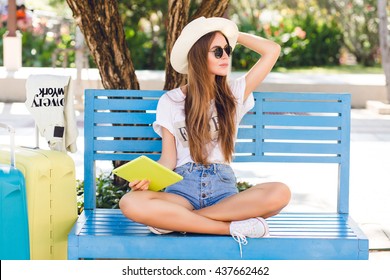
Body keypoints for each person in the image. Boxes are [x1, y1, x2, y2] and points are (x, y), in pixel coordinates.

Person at [119, 16, 291, 255]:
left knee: (280, 192)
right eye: (217, 51)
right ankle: (231, 228)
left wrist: (231, 33)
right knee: (129, 202)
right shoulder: (170, 101)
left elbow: (272, 50)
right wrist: (146, 182)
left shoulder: (234, 94)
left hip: (223, 193)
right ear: (199, 55)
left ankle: (176, 222)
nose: (226, 57)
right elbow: (168, 160)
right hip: (181, 189)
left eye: (227, 50)